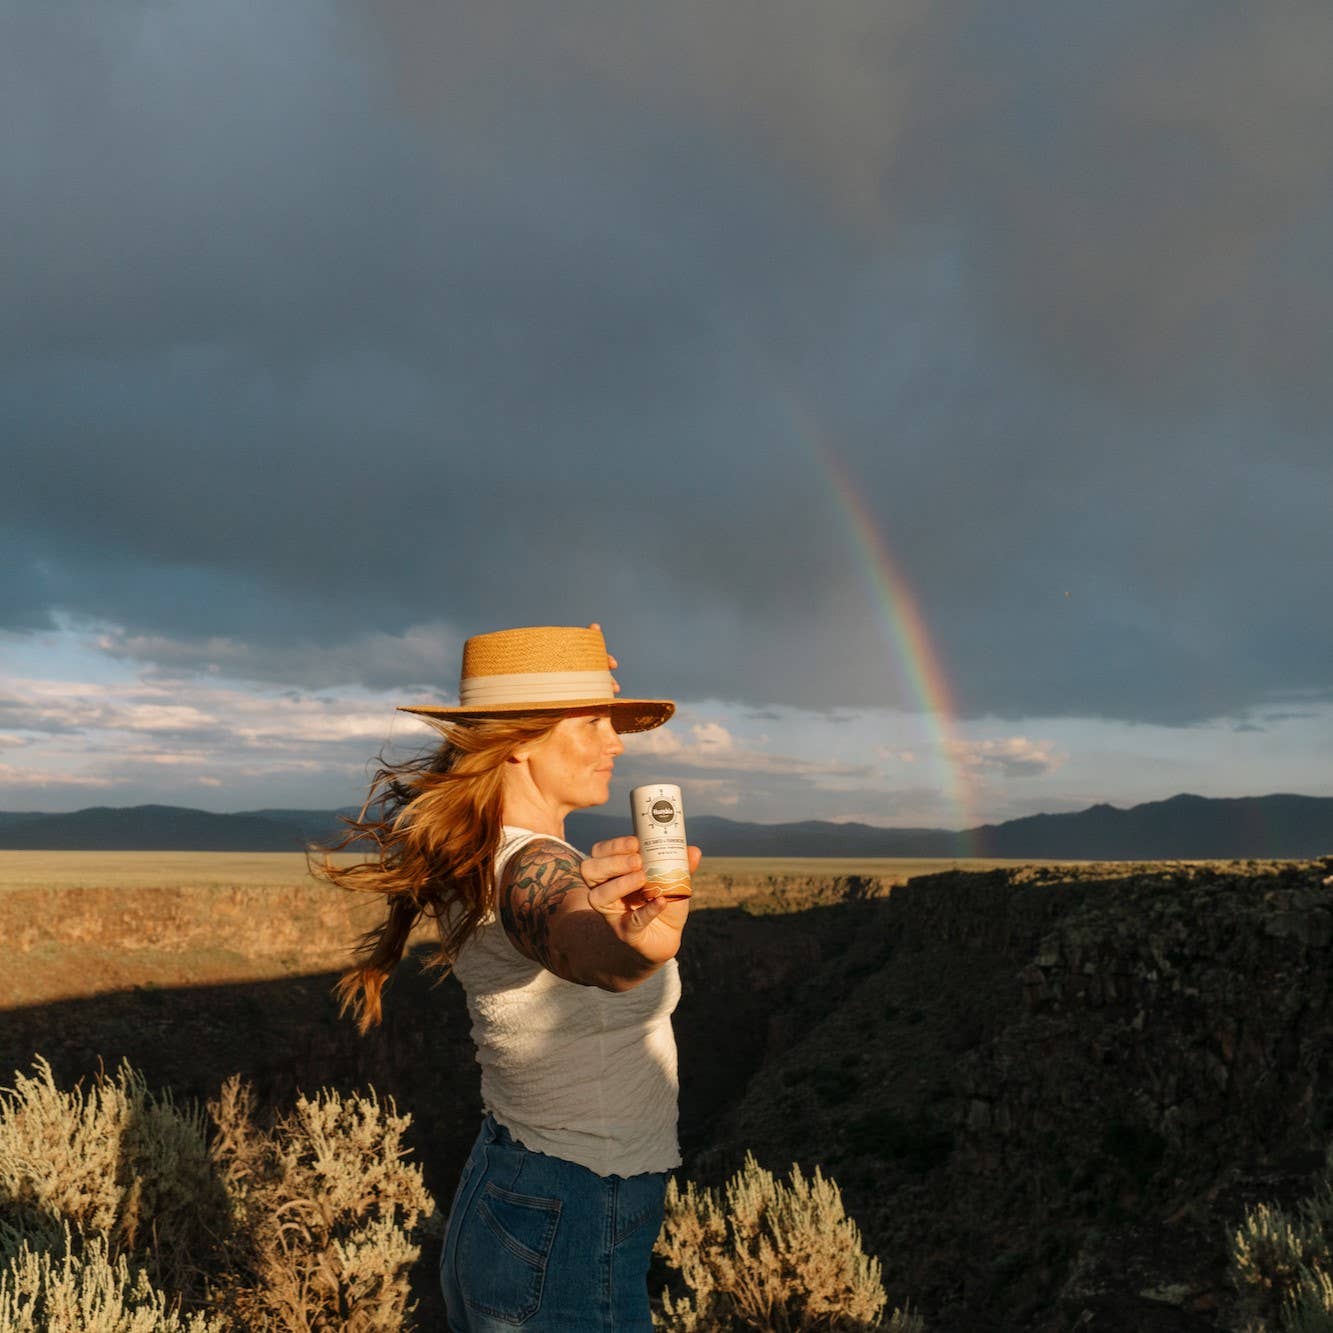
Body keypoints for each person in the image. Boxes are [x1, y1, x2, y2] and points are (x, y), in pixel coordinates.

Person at [317, 623, 700, 1331]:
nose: (615, 741)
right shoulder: (524, 865)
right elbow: (571, 931)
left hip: (529, 1200)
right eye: (592, 721)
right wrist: (634, 949)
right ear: (519, 739)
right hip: (568, 1214)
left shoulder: (495, 848)